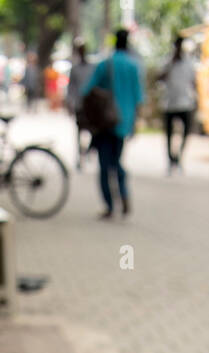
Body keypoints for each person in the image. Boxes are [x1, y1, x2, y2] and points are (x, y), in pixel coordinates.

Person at [82, 28, 142, 217]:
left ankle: (109, 205)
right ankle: (123, 193)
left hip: (105, 122)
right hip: (124, 122)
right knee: (117, 161)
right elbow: (138, 98)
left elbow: (87, 91)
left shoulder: (105, 64)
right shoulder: (134, 66)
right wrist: (134, 122)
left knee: (105, 165)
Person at [159, 36, 198, 173]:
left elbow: (194, 81)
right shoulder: (168, 61)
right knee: (169, 134)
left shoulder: (189, 62)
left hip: (185, 102)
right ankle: (171, 159)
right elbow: (160, 77)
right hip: (170, 103)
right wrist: (170, 65)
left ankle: (179, 157)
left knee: (185, 133)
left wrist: (195, 98)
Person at [66, 39, 93, 168]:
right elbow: (71, 87)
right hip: (80, 105)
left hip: (91, 105)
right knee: (79, 132)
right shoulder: (75, 69)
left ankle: (87, 152)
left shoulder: (92, 67)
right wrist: (70, 103)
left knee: (93, 132)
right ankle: (80, 158)